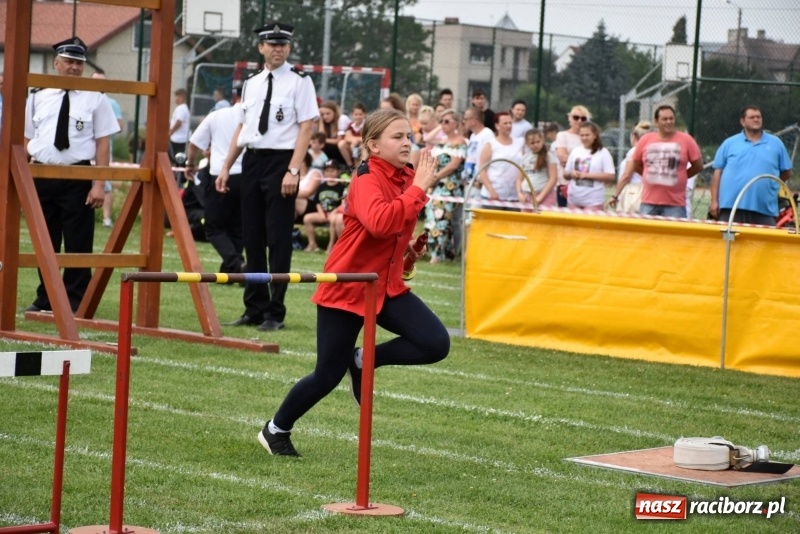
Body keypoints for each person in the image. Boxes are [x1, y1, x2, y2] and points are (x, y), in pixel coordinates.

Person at [257, 108, 449, 457]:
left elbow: (390, 229)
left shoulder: (406, 176)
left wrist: (407, 249)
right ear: (373, 146)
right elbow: (378, 222)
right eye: (397, 137)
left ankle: (363, 360)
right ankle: (275, 429)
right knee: (326, 375)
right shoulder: (364, 179)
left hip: (384, 286)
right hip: (346, 286)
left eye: (408, 136)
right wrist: (420, 187)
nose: (407, 142)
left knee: (435, 343)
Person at [216, 21, 319, 332]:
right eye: (272, 44)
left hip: (280, 162)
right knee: (252, 237)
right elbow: (243, 127)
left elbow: (306, 127)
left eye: (283, 44)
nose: (278, 49)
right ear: (260, 47)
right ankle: (255, 307)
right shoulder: (251, 82)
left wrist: (293, 169)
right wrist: (225, 166)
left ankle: (276, 311)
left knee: (277, 237)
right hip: (253, 160)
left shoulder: (300, 81)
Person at [24, 37, 120, 312]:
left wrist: (99, 184)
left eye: (79, 63)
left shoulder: (95, 97)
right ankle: (47, 298)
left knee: (78, 243)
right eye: (69, 62)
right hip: (41, 174)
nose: (75, 68)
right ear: (56, 64)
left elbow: (103, 143)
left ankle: (76, 300)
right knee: (46, 242)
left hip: (78, 177)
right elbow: (26, 137)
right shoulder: (38, 95)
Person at [186, 103, 245, 274]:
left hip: (221, 174)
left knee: (213, 228)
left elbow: (194, 144)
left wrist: (190, 163)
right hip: (247, 176)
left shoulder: (217, 115)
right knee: (236, 227)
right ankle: (232, 270)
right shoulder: (256, 114)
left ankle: (236, 263)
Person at [710, 105, 793, 225]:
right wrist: (714, 201)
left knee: (765, 244)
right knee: (727, 243)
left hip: (765, 210)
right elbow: (717, 173)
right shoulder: (729, 143)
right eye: (752, 117)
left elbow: (787, 172)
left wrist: (770, 184)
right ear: (742, 121)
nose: (756, 119)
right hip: (731, 208)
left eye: (758, 117)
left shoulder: (776, 143)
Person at [630, 105, 703, 218]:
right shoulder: (646, 140)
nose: (669, 122)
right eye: (664, 119)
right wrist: (649, 175)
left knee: (674, 235)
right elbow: (635, 164)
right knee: (647, 235)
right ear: (656, 122)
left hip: (675, 204)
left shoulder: (687, 140)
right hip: (648, 202)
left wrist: (682, 176)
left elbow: (698, 166)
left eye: (671, 118)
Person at [424, 109, 466, 263]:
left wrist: (435, 177)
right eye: (442, 121)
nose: (444, 124)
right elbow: (427, 137)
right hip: (436, 185)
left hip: (450, 186)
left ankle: (440, 254)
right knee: (432, 216)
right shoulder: (442, 142)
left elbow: (453, 165)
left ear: (456, 123)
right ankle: (439, 253)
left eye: (447, 121)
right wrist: (440, 126)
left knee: (442, 218)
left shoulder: (460, 141)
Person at [91, 69, 124, 228]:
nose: (98, 84)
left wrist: (102, 129)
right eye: (95, 80)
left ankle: (106, 219)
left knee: (105, 183)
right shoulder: (82, 99)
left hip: (102, 147)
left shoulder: (111, 103)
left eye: (101, 81)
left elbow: (119, 126)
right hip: (83, 148)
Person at [564, 121, 615, 210]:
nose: (584, 138)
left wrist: (588, 175)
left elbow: (610, 176)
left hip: (593, 201)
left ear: (594, 135)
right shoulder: (575, 151)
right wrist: (571, 173)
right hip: (574, 200)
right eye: (582, 135)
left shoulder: (603, 152)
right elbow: (565, 174)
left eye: (587, 135)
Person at [477, 112, 524, 208]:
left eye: (510, 123)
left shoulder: (519, 143)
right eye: (505, 123)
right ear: (497, 126)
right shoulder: (490, 145)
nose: (509, 126)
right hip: (494, 195)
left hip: (514, 196)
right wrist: (491, 191)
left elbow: (523, 166)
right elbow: (482, 170)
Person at [302, 160, 347, 252]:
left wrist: (333, 212)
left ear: (338, 172)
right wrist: (321, 213)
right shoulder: (321, 186)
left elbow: (342, 204)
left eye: (332, 171)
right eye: (327, 171)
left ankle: (331, 245)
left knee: (333, 219)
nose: (329, 173)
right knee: (307, 218)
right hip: (322, 212)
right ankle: (312, 244)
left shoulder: (341, 187)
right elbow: (317, 202)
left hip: (335, 213)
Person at [608, 121, 652, 214]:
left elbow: (626, 176)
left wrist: (615, 195)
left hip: (633, 192)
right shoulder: (650, 151)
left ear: (633, 136)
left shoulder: (634, 152)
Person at [552, 105, 591, 208]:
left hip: (585, 185)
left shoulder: (589, 138)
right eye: (576, 117)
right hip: (566, 183)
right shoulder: (562, 135)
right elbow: (562, 159)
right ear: (570, 118)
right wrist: (585, 164)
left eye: (583, 118)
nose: (579, 121)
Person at [517, 128, 558, 209]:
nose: (535, 145)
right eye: (532, 143)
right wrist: (519, 193)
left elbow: (553, 178)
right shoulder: (525, 157)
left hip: (544, 196)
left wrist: (540, 197)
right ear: (527, 143)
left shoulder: (549, 156)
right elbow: (519, 179)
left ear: (543, 140)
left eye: (538, 142)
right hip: (527, 196)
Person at [337, 102, 366, 168]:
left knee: (362, 146)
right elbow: (347, 137)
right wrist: (354, 140)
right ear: (352, 115)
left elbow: (366, 137)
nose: (358, 117)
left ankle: (362, 165)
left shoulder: (366, 125)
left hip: (362, 146)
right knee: (341, 144)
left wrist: (355, 140)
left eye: (360, 114)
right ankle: (350, 165)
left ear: (364, 114)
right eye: (356, 114)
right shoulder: (351, 125)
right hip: (352, 146)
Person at [317, 100, 345, 165]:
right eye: (322, 114)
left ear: (334, 112)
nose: (325, 116)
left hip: (342, 150)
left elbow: (338, 140)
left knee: (327, 146)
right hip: (331, 149)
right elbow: (321, 136)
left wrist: (323, 140)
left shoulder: (341, 119)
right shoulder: (324, 122)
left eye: (328, 113)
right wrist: (321, 121)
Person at [168, 88, 190, 163]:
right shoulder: (179, 108)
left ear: (183, 97)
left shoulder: (182, 108)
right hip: (177, 138)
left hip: (180, 139)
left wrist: (171, 132)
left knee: (179, 159)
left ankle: (180, 174)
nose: (176, 99)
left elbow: (179, 122)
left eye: (178, 96)